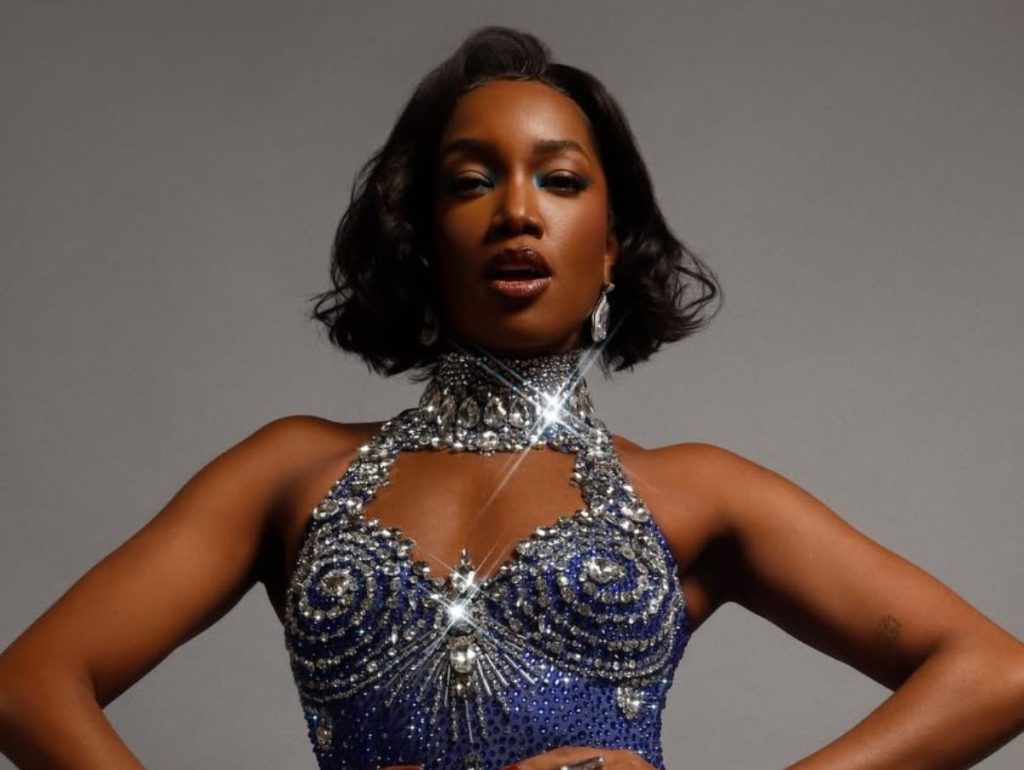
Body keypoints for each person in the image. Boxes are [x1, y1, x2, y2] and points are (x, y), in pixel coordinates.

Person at [1, 24, 1022, 770]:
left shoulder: (692, 493)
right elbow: (28, 684)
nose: (518, 212)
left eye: (561, 180)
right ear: (418, 235)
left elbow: (992, 671)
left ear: (611, 245)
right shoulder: (290, 470)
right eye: (470, 181)